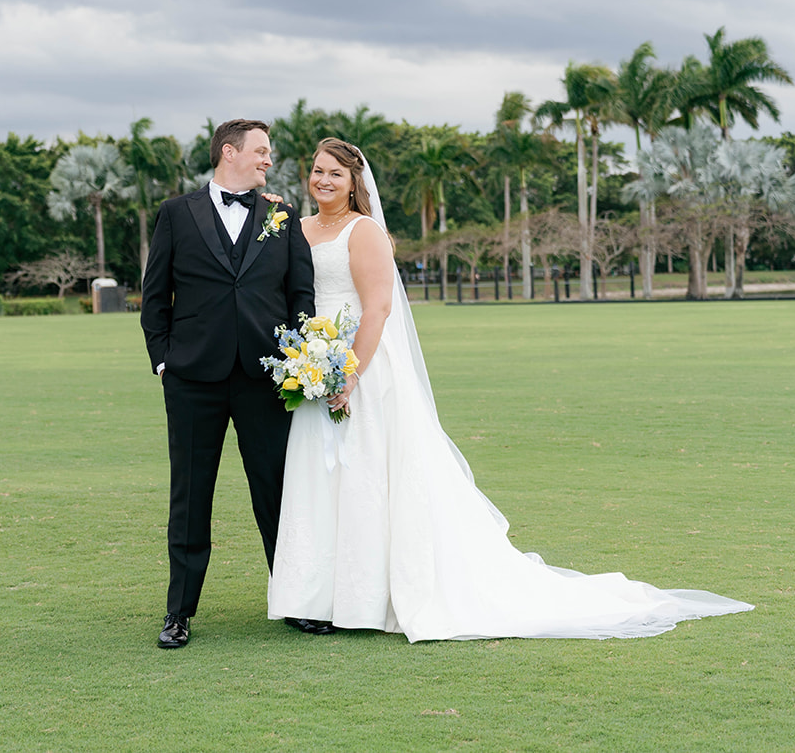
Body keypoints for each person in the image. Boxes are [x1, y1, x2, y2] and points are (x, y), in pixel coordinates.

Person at [266, 138, 754, 640]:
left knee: (366, 476)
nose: (323, 180)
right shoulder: (297, 228)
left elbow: (377, 309)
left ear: (354, 184)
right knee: (319, 480)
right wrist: (310, 363)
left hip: (360, 367)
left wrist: (350, 374)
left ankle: (364, 598)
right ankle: (316, 598)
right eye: (317, 171)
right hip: (312, 367)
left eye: (335, 174)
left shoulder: (364, 231)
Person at [140, 119, 322, 649]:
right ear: (229, 152)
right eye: (262, 151)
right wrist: (163, 361)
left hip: (265, 377)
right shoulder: (177, 213)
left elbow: (301, 293)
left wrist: (295, 357)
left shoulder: (283, 216)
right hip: (193, 377)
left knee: (277, 493)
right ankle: (179, 612)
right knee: (190, 495)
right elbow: (155, 297)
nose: (269, 160)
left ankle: (294, 601)